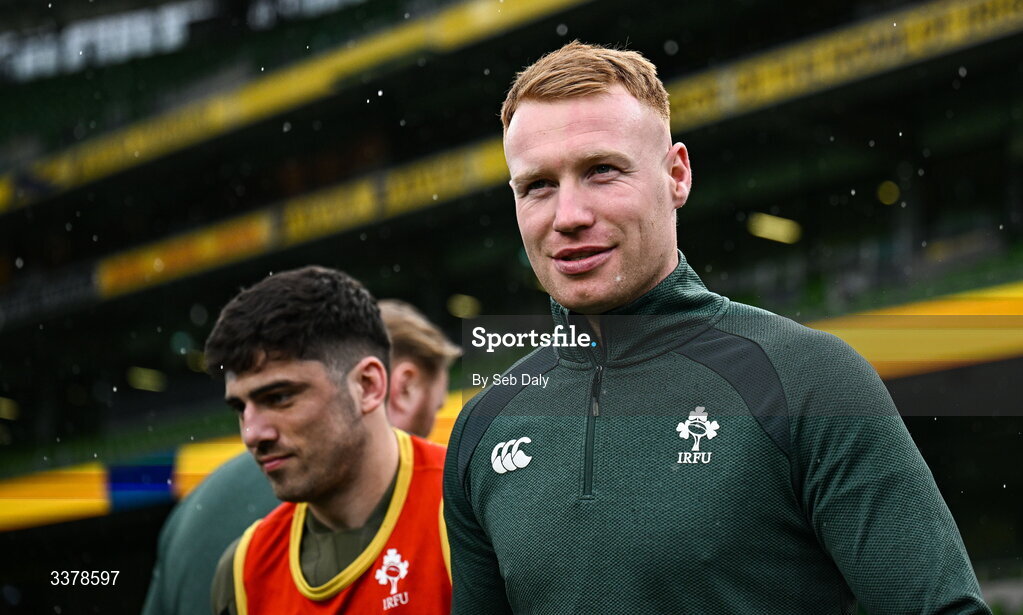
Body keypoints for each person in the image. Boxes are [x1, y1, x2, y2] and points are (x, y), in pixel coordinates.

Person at [442, 42, 990, 614]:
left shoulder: (811, 380)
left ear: (677, 176)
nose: (569, 215)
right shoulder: (483, 427)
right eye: (538, 186)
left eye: (602, 171)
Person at [164, 266, 455, 615]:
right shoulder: (242, 574)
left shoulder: (468, 509)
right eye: (241, 408)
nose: (252, 434)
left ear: (368, 386)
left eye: (279, 397)